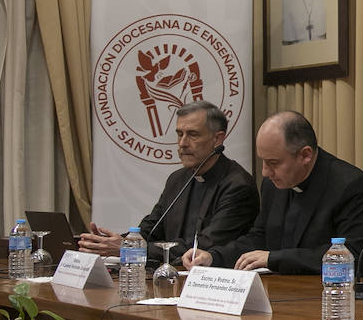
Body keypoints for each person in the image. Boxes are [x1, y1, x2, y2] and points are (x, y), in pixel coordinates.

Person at [184, 111, 363, 274]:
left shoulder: (351, 186)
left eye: (273, 163)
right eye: (263, 161)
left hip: (328, 298)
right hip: (281, 293)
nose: (264, 172)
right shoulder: (273, 183)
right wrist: (214, 256)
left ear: (305, 155)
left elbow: (356, 257)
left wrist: (274, 259)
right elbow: (259, 238)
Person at [80, 100, 258, 265]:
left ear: (217, 139)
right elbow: (150, 229)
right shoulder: (177, 179)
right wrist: (108, 243)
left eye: (192, 135)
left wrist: (131, 249)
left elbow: (203, 246)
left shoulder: (237, 185)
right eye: (179, 134)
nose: (182, 143)